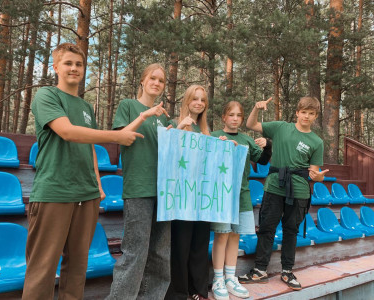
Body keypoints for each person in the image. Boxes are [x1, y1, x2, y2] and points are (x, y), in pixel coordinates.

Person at [22, 43, 143, 300]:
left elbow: (89, 148)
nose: (74, 68)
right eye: (68, 63)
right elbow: (67, 132)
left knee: (77, 268)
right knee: (42, 268)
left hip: (86, 196)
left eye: (79, 64)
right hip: (54, 192)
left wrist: (97, 185)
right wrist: (116, 137)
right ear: (56, 67)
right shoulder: (47, 95)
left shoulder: (87, 108)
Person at [238, 96, 329, 290]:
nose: (306, 116)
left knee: (291, 231)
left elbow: (314, 171)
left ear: (315, 116)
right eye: (303, 112)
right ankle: (259, 270)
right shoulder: (281, 127)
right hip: (274, 186)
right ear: (297, 112)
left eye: (311, 113)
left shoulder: (316, 141)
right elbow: (251, 124)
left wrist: (318, 178)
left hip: (299, 190)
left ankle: (287, 271)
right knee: (266, 228)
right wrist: (256, 106)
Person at [107, 63, 172, 300]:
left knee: (161, 253)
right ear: (142, 81)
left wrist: (179, 131)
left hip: (164, 192)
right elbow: (121, 138)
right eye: (152, 78)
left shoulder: (164, 118)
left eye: (161, 80)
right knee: (135, 252)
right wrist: (145, 114)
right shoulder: (129, 105)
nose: (157, 83)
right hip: (138, 187)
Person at [210, 101, 272, 300]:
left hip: (242, 194)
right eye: (231, 115)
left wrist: (267, 145)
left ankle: (230, 277)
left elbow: (262, 160)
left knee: (235, 236)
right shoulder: (214, 136)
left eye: (239, 115)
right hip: (221, 194)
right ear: (224, 117)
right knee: (222, 235)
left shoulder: (246, 139)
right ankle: (217, 279)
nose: (235, 118)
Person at [165, 85, 211, 300]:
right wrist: (178, 130)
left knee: (200, 245)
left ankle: (199, 290)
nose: (199, 103)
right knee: (181, 246)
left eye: (202, 100)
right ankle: (179, 293)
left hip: (202, 197)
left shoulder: (206, 130)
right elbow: (166, 153)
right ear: (187, 101)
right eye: (195, 99)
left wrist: (220, 145)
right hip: (181, 197)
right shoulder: (175, 124)